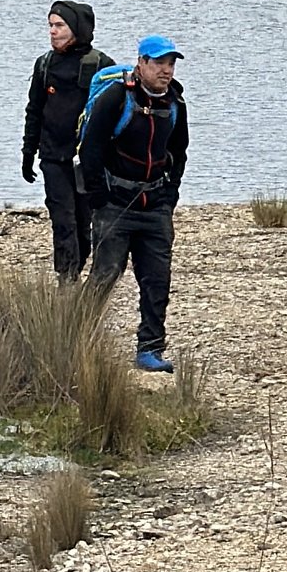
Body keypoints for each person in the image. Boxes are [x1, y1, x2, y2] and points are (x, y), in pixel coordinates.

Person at [79, 33, 189, 370]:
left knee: (157, 279)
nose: (166, 70)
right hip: (116, 203)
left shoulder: (175, 103)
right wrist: (100, 197)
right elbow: (91, 150)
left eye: (170, 64)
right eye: (158, 63)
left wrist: (170, 196)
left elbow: (179, 152)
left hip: (156, 204)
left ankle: (150, 349)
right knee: (105, 274)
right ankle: (76, 335)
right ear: (141, 63)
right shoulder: (116, 97)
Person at [21, 0, 106, 280]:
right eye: (50, 25)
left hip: (86, 160)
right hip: (52, 156)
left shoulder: (101, 65)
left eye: (59, 25)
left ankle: (78, 266)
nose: (52, 31)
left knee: (84, 225)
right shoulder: (44, 65)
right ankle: (66, 281)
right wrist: (28, 152)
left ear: (77, 29)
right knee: (63, 220)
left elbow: (114, 118)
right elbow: (34, 110)